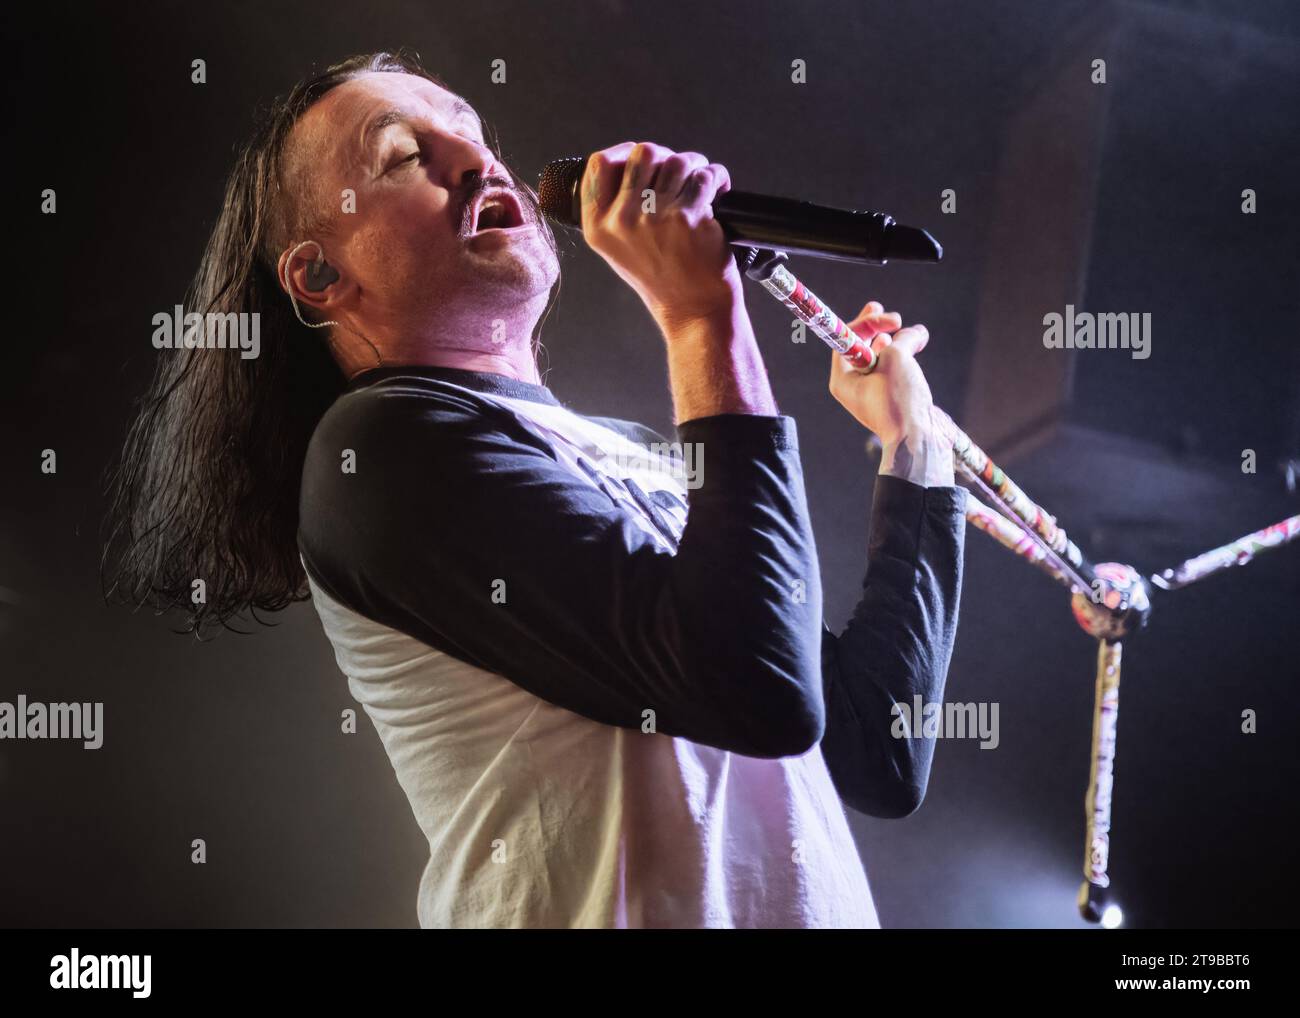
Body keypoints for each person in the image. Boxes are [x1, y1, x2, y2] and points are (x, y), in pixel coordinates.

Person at [105, 51, 967, 928]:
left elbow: (873, 751)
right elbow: (760, 688)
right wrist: (703, 315)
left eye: (473, 131)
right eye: (405, 157)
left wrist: (915, 449)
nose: (476, 160)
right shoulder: (380, 448)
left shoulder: (642, 456)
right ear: (321, 277)